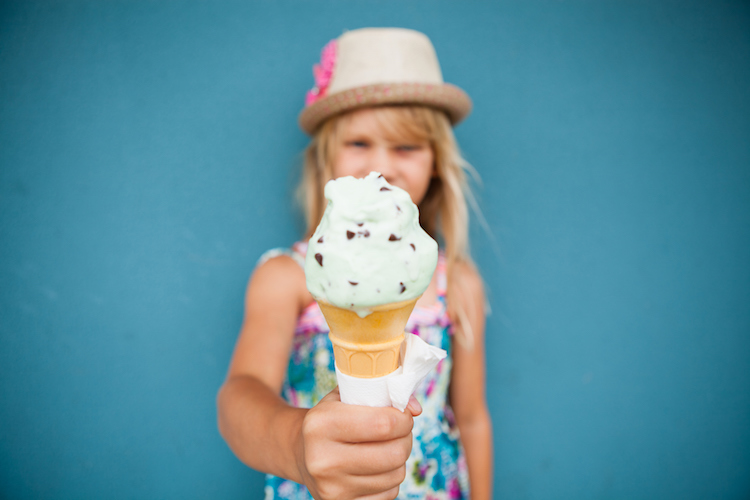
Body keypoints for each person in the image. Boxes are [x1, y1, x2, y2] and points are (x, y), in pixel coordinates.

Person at [217, 27, 492, 500]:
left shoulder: (458, 283)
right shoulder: (287, 277)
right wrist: (296, 447)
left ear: (436, 164)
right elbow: (239, 396)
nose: (381, 166)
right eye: (359, 143)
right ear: (325, 158)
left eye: (406, 146)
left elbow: (471, 417)